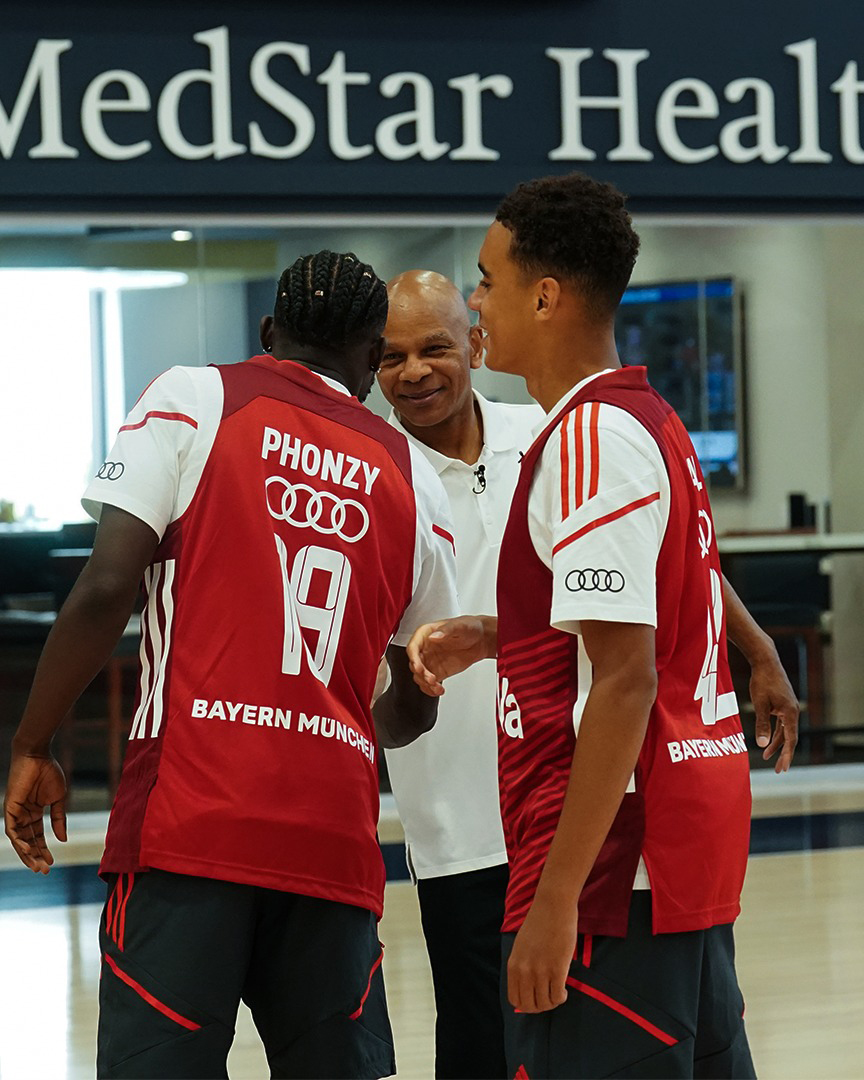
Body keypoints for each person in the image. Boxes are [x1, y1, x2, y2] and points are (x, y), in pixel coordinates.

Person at [3, 250, 458, 1080]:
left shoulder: (191, 398)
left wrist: (33, 743)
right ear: (368, 357)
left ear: (266, 332)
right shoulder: (412, 476)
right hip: (332, 846)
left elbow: (107, 587)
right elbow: (411, 703)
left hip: (190, 828)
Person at [406, 174, 799, 1080]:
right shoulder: (648, 418)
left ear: (544, 296)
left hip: (616, 872)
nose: (477, 303)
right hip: (676, 855)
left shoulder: (588, 437)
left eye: (486, 280)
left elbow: (626, 678)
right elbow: (655, 608)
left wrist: (555, 901)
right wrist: (506, 632)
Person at [377, 269, 543, 1079]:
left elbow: (664, 550)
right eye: (390, 356)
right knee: (480, 1037)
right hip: (455, 818)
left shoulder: (547, 432)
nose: (413, 372)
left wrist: (753, 647)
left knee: (588, 1023)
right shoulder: (373, 471)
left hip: (568, 793)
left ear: (475, 345)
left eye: (434, 347)